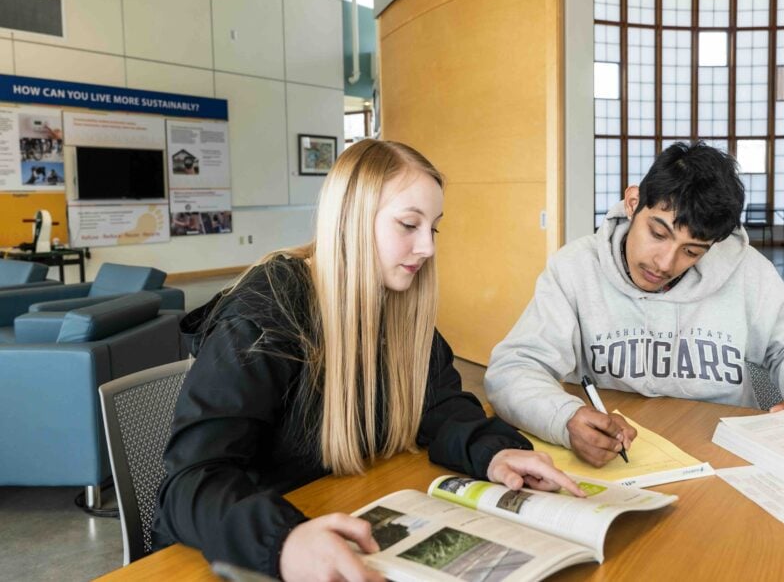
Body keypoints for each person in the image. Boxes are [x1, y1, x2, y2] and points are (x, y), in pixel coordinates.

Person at [152, 140, 582, 581]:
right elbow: (194, 480)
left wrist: (494, 453)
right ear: (352, 222)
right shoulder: (265, 314)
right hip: (250, 547)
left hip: (343, 513)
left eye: (433, 228)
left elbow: (438, 404)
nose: (428, 248)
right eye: (408, 225)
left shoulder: (393, 302)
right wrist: (283, 541)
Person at [484, 141, 784, 468]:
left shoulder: (747, 270)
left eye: (692, 251)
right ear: (633, 202)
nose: (664, 263)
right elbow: (513, 369)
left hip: (721, 455)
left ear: (714, 244)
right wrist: (565, 417)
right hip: (620, 457)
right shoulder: (575, 267)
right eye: (657, 233)